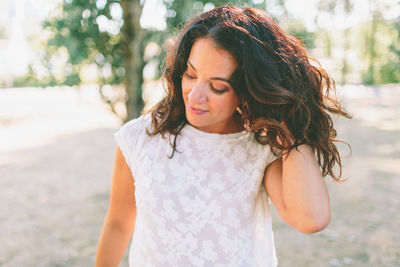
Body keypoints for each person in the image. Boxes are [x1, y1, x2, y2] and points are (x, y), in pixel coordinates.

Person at [95, 5, 351, 267]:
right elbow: (118, 224)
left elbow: (311, 219)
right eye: (190, 74)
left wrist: (286, 121)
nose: (195, 96)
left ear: (248, 89)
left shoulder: (262, 144)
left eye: (217, 87)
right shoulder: (139, 137)